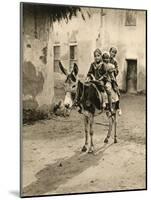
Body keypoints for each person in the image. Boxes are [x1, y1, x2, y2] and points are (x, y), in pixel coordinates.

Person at [109, 47, 122, 115]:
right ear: (109, 52)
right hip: (105, 78)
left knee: (117, 92)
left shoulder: (115, 62)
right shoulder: (105, 59)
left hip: (112, 79)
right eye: (112, 52)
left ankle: (118, 107)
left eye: (115, 53)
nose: (113, 54)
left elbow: (117, 71)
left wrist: (114, 71)